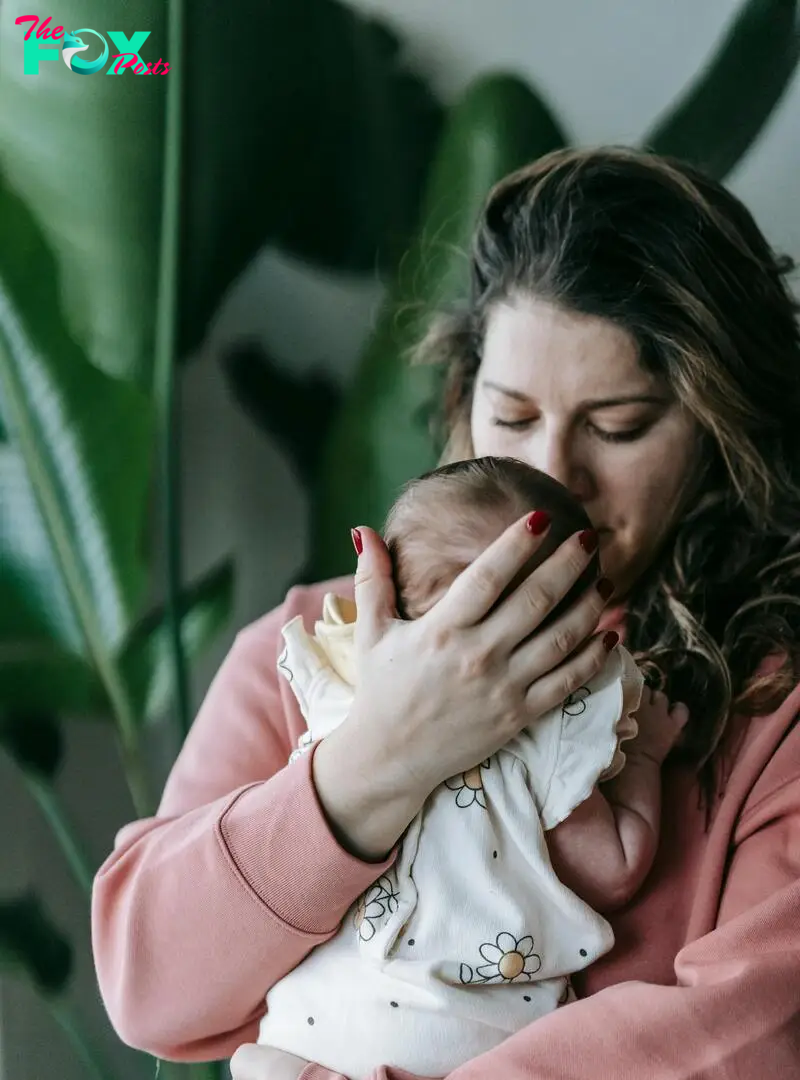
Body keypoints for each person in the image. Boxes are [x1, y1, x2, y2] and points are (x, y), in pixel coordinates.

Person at [91, 146, 800, 1080]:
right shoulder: (315, 649)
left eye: (618, 426)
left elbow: (750, 1036)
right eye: (512, 416)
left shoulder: (769, 708)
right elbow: (149, 986)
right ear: (463, 403)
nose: (555, 473)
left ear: (718, 431)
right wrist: (379, 759)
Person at [258, 456, 685, 1078]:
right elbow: (613, 872)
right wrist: (644, 754)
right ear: (562, 630)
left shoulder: (338, 686)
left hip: (309, 1029)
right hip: (461, 1040)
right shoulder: (548, 738)